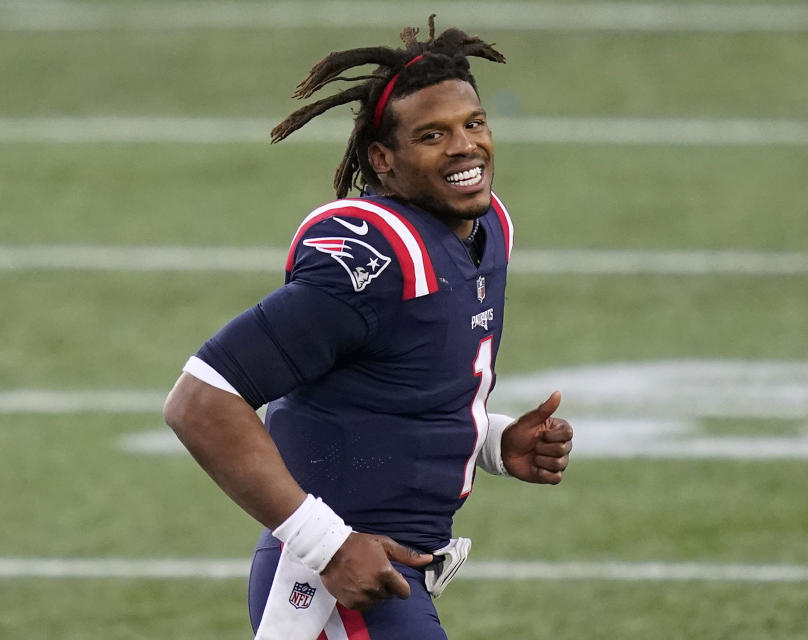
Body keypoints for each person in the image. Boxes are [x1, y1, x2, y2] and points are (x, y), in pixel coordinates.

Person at [163, 16, 573, 640]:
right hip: (332, 585)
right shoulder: (377, 261)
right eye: (433, 135)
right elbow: (199, 400)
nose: (465, 146)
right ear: (383, 159)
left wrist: (487, 441)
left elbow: (391, 389)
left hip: (383, 578)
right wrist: (326, 546)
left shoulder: (485, 231)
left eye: (474, 123)